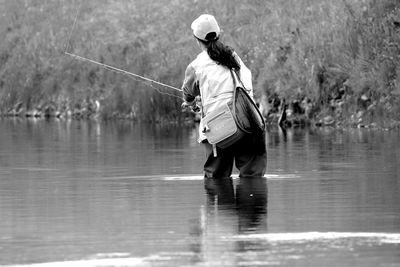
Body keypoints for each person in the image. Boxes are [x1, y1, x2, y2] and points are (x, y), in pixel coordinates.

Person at [181, 14, 266, 179]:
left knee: (217, 180)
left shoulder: (195, 66)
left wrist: (190, 103)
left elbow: (188, 92)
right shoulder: (234, 57)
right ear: (219, 34)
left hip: (219, 127)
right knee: (253, 178)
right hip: (250, 120)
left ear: (197, 40)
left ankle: (221, 202)